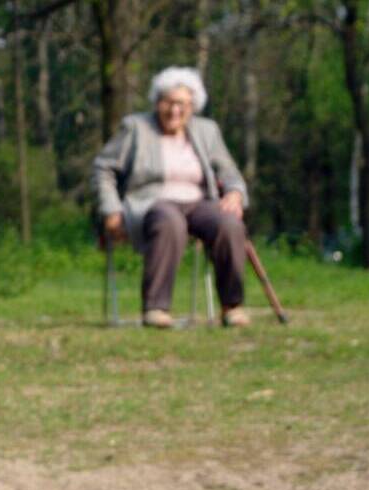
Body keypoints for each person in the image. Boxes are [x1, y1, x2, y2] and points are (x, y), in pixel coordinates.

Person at [92, 66, 252, 328]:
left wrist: (235, 193)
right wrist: (111, 209)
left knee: (230, 224)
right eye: (168, 102)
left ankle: (232, 306)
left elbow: (229, 171)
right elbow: (103, 168)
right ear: (157, 102)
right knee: (169, 220)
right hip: (150, 203)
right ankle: (156, 308)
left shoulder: (207, 131)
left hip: (199, 202)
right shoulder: (135, 128)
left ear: (193, 106)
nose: (174, 110)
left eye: (182, 104)